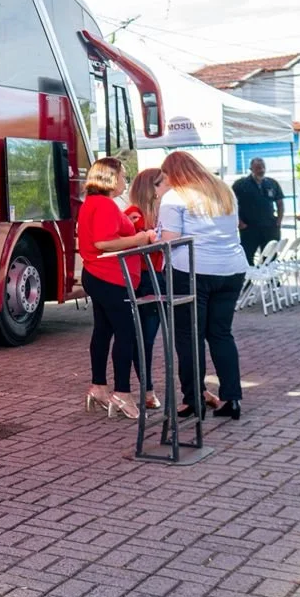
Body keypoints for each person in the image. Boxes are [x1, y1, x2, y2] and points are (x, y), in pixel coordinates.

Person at [159, 151, 249, 420]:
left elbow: (170, 239)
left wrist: (154, 236)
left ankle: (193, 399)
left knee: (189, 336)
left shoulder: (175, 196)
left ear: (174, 173)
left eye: (166, 174)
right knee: (221, 334)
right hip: (231, 268)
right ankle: (232, 398)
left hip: (191, 269)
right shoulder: (224, 191)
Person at [78, 157, 161, 419]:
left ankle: (99, 386)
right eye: (123, 175)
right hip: (111, 277)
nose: (126, 180)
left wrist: (127, 223)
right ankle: (122, 392)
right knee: (127, 334)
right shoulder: (104, 204)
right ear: (112, 178)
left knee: (103, 331)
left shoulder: (93, 202)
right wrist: (139, 237)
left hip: (98, 274)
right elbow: (103, 242)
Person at [124, 168, 166, 411]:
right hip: (143, 278)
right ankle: (147, 389)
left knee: (149, 337)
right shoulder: (134, 214)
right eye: (162, 184)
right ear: (151, 188)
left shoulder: (160, 212)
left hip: (157, 275)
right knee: (144, 338)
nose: (167, 188)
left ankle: (147, 389)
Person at [231, 157, 284, 265]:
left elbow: (280, 203)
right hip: (249, 227)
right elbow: (231, 204)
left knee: (270, 257)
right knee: (247, 256)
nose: (261, 170)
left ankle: (270, 276)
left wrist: (279, 220)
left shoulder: (272, 183)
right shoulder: (241, 184)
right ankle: (249, 276)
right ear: (251, 169)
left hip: (269, 226)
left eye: (263, 167)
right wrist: (239, 222)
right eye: (258, 168)